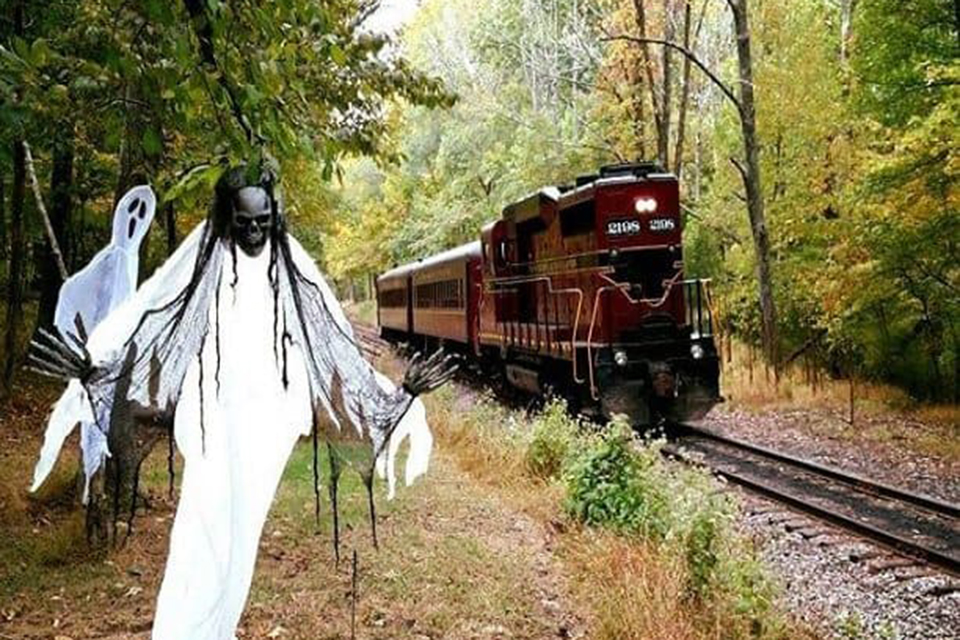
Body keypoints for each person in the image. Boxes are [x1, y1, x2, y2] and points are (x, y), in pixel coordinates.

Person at [28, 164, 455, 639]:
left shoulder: (291, 265)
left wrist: (396, 397)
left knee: (240, 540)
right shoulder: (204, 258)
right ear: (226, 218)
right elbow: (149, 308)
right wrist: (96, 366)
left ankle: (216, 628)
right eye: (244, 222)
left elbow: (331, 342)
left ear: (274, 217)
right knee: (201, 528)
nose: (254, 232)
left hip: (266, 425)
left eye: (263, 221)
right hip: (212, 419)